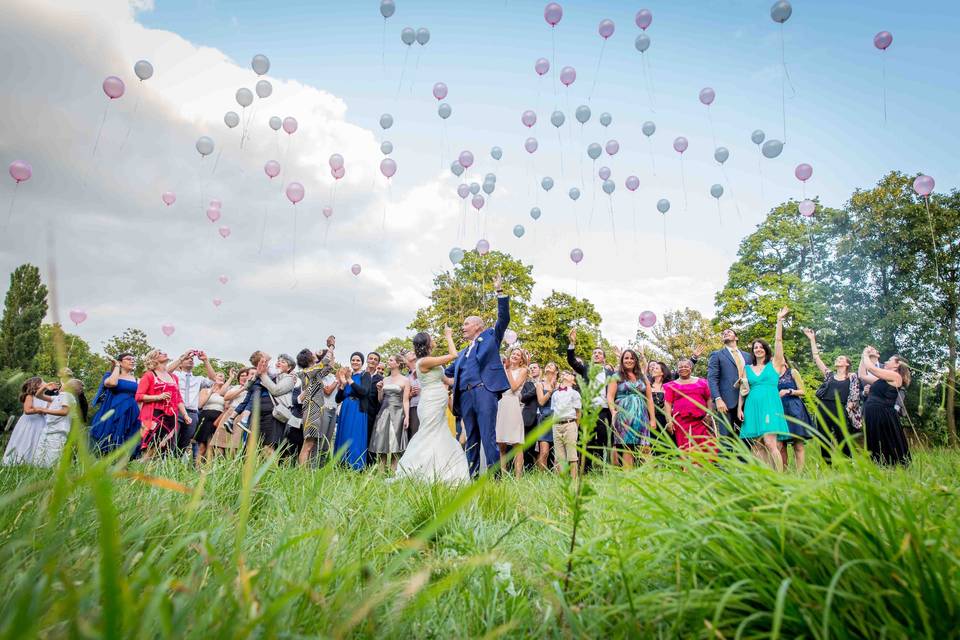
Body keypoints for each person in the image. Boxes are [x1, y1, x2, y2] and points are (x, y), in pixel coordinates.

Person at [446, 274, 511, 477]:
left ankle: (494, 479)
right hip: (465, 397)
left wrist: (499, 291)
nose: (462, 327)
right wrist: (423, 367)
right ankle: (472, 477)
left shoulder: (491, 336)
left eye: (466, 324)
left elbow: (504, 318)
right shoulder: (463, 353)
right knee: (471, 438)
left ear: (477, 326)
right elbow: (446, 374)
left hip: (484, 392)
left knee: (488, 436)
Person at [396, 328, 471, 483]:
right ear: (426, 343)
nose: (433, 339)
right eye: (431, 337)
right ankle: (417, 468)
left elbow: (449, 381)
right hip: (430, 403)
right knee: (429, 434)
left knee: (439, 434)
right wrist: (448, 336)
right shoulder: (424, 362)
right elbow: (453, 355)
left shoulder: (433, 363)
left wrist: (469, 379)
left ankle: (438, 468)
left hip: (438, 403)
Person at [737, 307, 791, 471]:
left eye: (761, 347)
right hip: (752, 405)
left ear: (766, 349)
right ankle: (765, 477)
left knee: (770, 442)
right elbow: (743, 389)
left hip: (770, 404)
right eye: (755, 348)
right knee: (757, 445)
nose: (758, 349)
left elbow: (779, 342)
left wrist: (779, 321)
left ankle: (779, 476)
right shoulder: (747, 368)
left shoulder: (774, 364)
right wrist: (740, 408)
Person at [802, 328, 861, 463]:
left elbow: (855, 396)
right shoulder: (829, 376)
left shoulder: (851, 377)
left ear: (847, 364)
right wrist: (812, 339)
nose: (837, 359)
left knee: (843, 437)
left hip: (840, 408)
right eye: (837, 358)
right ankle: (827, 464)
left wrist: (847, 409)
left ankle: (847, 464)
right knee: (823, 437)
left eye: (841, 358)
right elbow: (816, 358)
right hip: (824, 407)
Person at [567, 328, 615, 469]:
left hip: (604, 410)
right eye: (594, 353)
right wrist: (572, 343)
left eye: (599, 353)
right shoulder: (585, 369)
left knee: (606, 440)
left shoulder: (610, 373)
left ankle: (606, 469)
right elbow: (571, 361)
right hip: (588, 410)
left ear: (604, 358)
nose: (596, 354)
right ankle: (585, 469)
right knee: (586, 440)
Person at [858, 347, 911, 466]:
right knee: (874, 441)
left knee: (884, 441)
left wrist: (866, 353)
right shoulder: (883, 378)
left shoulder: (895, 377)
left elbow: (871, 368)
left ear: (897, 365)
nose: (886, 362)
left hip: (882, 414)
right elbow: (862, 375)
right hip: (873, 413)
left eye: (890, 360)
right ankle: (879, 466)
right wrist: (863, 356)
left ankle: (890, 467)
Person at [135, 349, 190, 459]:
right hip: (154, 414)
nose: (164, 353)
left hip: (171, 416)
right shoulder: (149, 375)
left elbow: (178, 398)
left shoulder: (174, 377)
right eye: (160, 353)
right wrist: (158, 397)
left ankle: (156, 473)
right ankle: (142, 471)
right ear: (154, 359)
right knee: (151, 446)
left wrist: (185, 414)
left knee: (164, 448)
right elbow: (139, 396)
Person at [607, 349, 656, 469]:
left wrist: (652, 419)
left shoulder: (642, 377)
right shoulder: (616, 376)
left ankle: (648, 477)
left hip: (641, 415)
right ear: (622, 360)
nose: (629, 360)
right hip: (624, 415)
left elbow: (649, 399)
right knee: (627, 446)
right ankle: (628, 477)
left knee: (644, 445)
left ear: (636, 360)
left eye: (632, 358)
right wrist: (613, 411)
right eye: (626, 358)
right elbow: (610, 396)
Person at [167, 350, 217, 457]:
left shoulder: (198, 379)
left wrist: (205, 360)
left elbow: (214, 380)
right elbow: (165, 372)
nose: (190, 360)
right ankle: (166, 462)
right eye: (187, 359)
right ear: (180, 364)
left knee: (185, 442)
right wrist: (182, 357)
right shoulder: (175, 375)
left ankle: (177, 464)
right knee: (172, 440)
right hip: (176, 410)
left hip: (192, 413)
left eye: (191, 359)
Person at [89, 353, 141, 455]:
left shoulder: (136, 379)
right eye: (128, 359)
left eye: (133, 359)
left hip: (131, 412)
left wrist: (141, 416)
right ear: (121, 362)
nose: (132, 361)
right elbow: (112, 383)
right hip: (114, 411)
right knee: (110, 439)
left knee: (127, 441)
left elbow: (139, 398)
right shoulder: (110, 375)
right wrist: (116, 365)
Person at [707, 329, 753, 440]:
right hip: (726, 402)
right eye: (723, 333)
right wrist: (717, 399)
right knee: (726, 438)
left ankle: (744, 458)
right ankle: (726, 458)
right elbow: (712, 378)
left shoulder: (748, 356)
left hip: (747, 400)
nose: (725, 333)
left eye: (729, 332)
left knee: (745, 438)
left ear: (736, 338)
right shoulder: (717, 355)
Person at [663, 359, 716, 455]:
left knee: (704, 448)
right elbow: (668, 403)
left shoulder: (702, 382)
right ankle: (687, 469)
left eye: (686, 366)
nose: (683, 368)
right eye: (680, 367)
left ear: (691, 368)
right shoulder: (671, 385)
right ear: (677, 369)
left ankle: (704, 469)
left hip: (701, 422)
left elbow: (709, 399)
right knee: (686, 449)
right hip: (681, 423)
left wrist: (709, 414)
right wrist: (669, 421)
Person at [369, 354, 411, 470]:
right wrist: (379, 390)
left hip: (398, 413)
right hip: (384, 412)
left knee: (395, 445)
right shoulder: (385, 379)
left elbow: (406, 400)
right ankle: (381, 474)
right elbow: (380, 399)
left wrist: (407, 416)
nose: (388, 361)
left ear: (397, 363)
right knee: (382, 443)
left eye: (391, 360)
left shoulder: (405, 380)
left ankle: (393, 473)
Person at [297, 348, 338, 466]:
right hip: (311, 409)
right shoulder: (307, 371)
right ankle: (303, 473)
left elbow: (329, 366)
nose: (315, 353)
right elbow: (325, 361)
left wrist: (332, 353)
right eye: (312, 353)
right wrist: (331, 347)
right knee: (308, 444)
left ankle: (308, 472)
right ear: (307, 358)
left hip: (317, 410)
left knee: (311, 443)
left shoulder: (315, 374)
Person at [334, 352, 372, 470]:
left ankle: (355, 464)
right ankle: (341, 463)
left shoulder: (365, 375)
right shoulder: (345, 376)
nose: (355, 362)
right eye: (353, 360)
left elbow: (364, 392)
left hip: (358, 409)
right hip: (346, 408)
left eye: (358, 360)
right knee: (344, 434)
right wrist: (341, 386)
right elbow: (338, 399)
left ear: (362, 362)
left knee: (355, 435)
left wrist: (350, 380)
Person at [33, 379, 82, 468]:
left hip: (58, 430)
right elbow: (38, 395)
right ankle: (41, 471)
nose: (60, 386)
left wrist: (44, 410)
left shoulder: (67, 396)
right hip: (50, 429)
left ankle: (50, 473)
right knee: (41, 453)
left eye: (63, 384)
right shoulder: (59, 397)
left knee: (52, 455)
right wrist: (45, 387)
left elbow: (64, 411)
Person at [495, 347, 528, 478]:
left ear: (521, 360)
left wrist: (508, 369)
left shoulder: (523, 370)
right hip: (501, 403)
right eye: (513, 353)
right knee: (501, 443)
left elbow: (514, 387)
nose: (515, 355)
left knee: (516, 443)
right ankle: (503, 475)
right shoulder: (502, 368)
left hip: (513, 404)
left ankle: (518, 477)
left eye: (518, 355)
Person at [2, 377, 48, 465]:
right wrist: (40, 409)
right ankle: (18, 461)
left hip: (40, 422)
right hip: (29, 423)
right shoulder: (30, 396)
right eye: (42, 382)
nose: (45, 383)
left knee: (36, 441)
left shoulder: (44, 397)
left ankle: (32, 462)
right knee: (25, 439)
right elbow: (27, 410)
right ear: (36, 384)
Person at [777, 357, 813, 470]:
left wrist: (789, 391)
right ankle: (784, 473)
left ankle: (800, 473)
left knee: (798, 443)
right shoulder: (772, 375)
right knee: (781, 444)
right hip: (779, 410)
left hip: (794, 409)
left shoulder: (792, 372)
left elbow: (803, 391)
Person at [193, 370, 234, 465]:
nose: (222, 378)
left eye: (224, 377)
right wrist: (211, 391)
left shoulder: (225, 393)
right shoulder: (205, 390)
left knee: (213, 445)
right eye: (219, 376)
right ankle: (197, 467)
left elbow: (226, 406)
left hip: (218, 418)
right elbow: (200, 404)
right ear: (213, 378)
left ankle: (209, 467)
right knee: (202, 445)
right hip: (206, 416)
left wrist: (231, 378)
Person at [210, 368, 253, 456]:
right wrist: (241, 388)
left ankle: (232, 466)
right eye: (242, 376)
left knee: (235, 444)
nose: (244, 377)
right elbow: (225, 396)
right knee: (219, 442)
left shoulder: (253, 389)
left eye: (246, 375)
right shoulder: (235, 387)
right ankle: (218, 465)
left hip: (243, 415)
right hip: (230, 414)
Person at [550, 370, 582, 477]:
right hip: (557, 425)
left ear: (574, 381)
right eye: (565, 373)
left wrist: (575, 427)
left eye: (569, 374)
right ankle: (561, 480)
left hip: (570, 424)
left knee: (572, 455)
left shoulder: (575, 393)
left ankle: (574, 480)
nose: (566, 374)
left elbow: (578, 412)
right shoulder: (555, 394)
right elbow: (554, 410)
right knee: (559, 456)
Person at [534, 362, 559, 470]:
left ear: (556, 371)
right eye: (547, 365)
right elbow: (541, 402)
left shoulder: (561, 385)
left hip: (558, 420)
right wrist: (550, 391)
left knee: (559, 453)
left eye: (551, 365)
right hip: (544, 419)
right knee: (544, 452)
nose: (548, 365)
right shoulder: (540, 384)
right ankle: (541, 477)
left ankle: (558, 477)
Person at [520, 362, 541, 468]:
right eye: (531, 368)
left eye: (535, 367)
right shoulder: (526, 384)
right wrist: (537, 388)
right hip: (529, 418)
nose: (532, 369)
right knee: (528, 446)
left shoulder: (546, 382)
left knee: (543, 445)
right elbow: (523, 398)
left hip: (543, 418)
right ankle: (528, 469)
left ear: (540, 369)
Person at [364, 352, 383, 448]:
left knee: (370, 438)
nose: (372, 360)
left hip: (372, 413)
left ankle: (368, 462)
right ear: (367, 360)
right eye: (370, 358)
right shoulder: (360, 375)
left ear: (378, 363)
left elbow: (381, 399)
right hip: (359, 411)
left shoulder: (381, 379)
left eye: (375, 359)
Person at [404, 351, 422, 438]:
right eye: (409, 353)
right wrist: (411, 394)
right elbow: (404, 398)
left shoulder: (424, 370)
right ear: (406, 361)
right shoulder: (406, 377)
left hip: (427, 405)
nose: (412, 352)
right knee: (415, 433)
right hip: (414, 408)